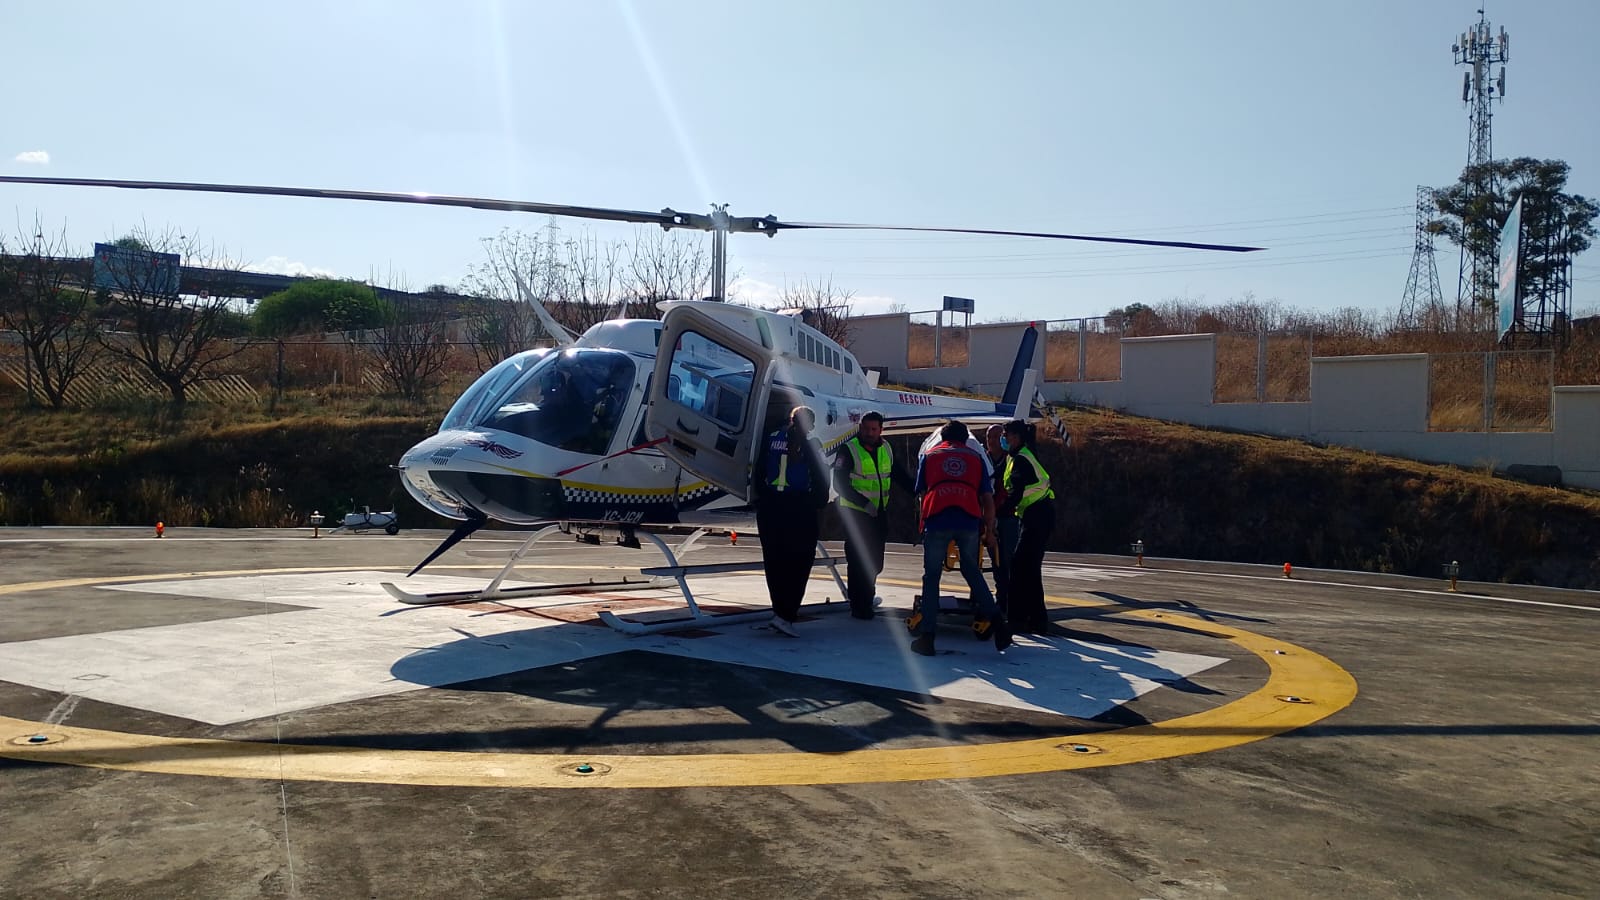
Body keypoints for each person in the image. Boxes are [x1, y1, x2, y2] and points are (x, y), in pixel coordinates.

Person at [910, 420, 1012, 657]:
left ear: (943, 438)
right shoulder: (976, 458)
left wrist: (923, 523)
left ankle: (928, 637)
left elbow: (922, 493)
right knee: (972, 572)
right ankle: (999, 625)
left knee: (932, 576)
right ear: (965, 439)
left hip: (938, 519)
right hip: (968, 520)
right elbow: (987, 498)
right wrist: (989, 530)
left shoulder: (930, 456)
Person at [753, 405, 829, 637]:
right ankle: (787, 614)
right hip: (799, 507)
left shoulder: (772, 438)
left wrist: (760, 497)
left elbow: (759, 470)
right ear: (811, 425)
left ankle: (779, 611)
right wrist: (818, 502)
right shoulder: (812, 445)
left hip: (771, 506)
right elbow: (822, 477)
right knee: (800, 562)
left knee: (774, 562)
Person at [832, 411, 915, 620]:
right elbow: (839, 484)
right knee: (858, 561)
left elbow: (898, 474)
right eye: (866, 429)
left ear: (880, 430)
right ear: (860, 428)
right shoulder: (849, 449)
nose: (869, 433)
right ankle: (860, 605)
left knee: (876, 563)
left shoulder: (886, 448)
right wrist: (864, 503)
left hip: (878, 513)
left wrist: (917, 491)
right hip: (856, 514)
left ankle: (865, 599)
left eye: (873, 429)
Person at [999, 419, 1056, 634]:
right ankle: (1036, 620)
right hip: (1035, 515)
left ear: (1016, 437)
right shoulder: (1016, 456)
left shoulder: (1021, 459)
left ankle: (1017, 619)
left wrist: (997, 514)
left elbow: (1016, 493)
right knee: (1029, 568)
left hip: (1037, 516)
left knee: (1019, 565)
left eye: (1005, 435)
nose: (1003, 439)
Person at [985, 423, 1020, 613]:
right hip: (989, 518)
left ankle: (1010, 599)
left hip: (1008, 516)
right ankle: (1000, 597)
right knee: (995, 560)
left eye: (996, 437)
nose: (991, 441)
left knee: (1008, 559)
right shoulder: (982, 459)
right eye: (989, 437)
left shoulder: (1012, 459)